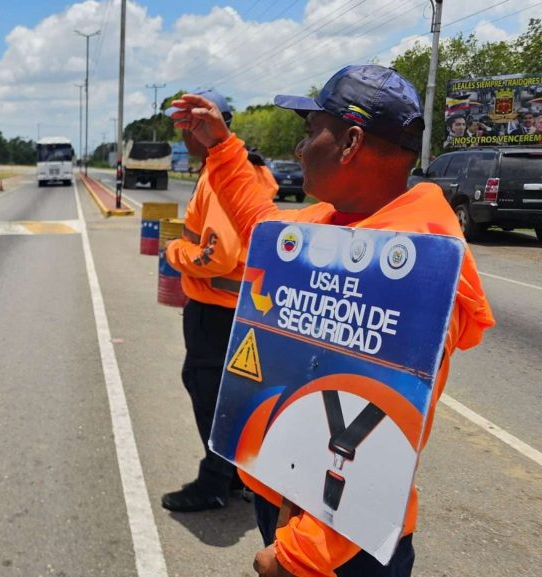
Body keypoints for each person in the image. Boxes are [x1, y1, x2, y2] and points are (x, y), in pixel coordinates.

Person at [170, 64, 494, 576]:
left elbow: (377, 434)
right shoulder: (338, 223)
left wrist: (300, 554)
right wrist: (221, 146)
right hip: (291, 499)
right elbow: (262, 225)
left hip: (339, 544)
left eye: (308, 131)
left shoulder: (417, 265)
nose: (300, 150)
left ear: (350, 142)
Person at [160, 89, 281, 512]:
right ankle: (233, 473)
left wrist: (174, 251)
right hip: (243, 309)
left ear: (208, 127)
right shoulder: (248, 170)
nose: (183, 137)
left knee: (207, 391)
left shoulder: (219, 175)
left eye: (187, 127)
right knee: (231, 395)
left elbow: (217, 255)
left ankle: (215, 481)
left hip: (214, 311)